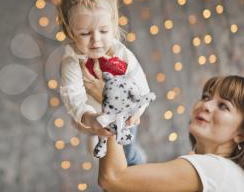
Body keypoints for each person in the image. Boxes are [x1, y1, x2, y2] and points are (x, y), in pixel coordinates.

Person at [57, 0, 151, 164]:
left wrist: (136, 113)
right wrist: (91, 119)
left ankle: (138, 160)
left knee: (129, 156)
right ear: (70, 30)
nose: (96, 41)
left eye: (104, 30)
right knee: (104, 159)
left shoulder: (121, 53)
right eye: (85, 34)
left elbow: (141, 87)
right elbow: (73, 97)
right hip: (96, 121)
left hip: (125, 116)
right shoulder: (72, 61)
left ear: (114, 24)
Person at [92, 75, 244, 191]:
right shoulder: (219, 171)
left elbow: (112, 179)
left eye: (224, 106)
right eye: (206, 97)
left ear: (241, 134)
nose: (206, 105)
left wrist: (112, 101)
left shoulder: (216, 170)